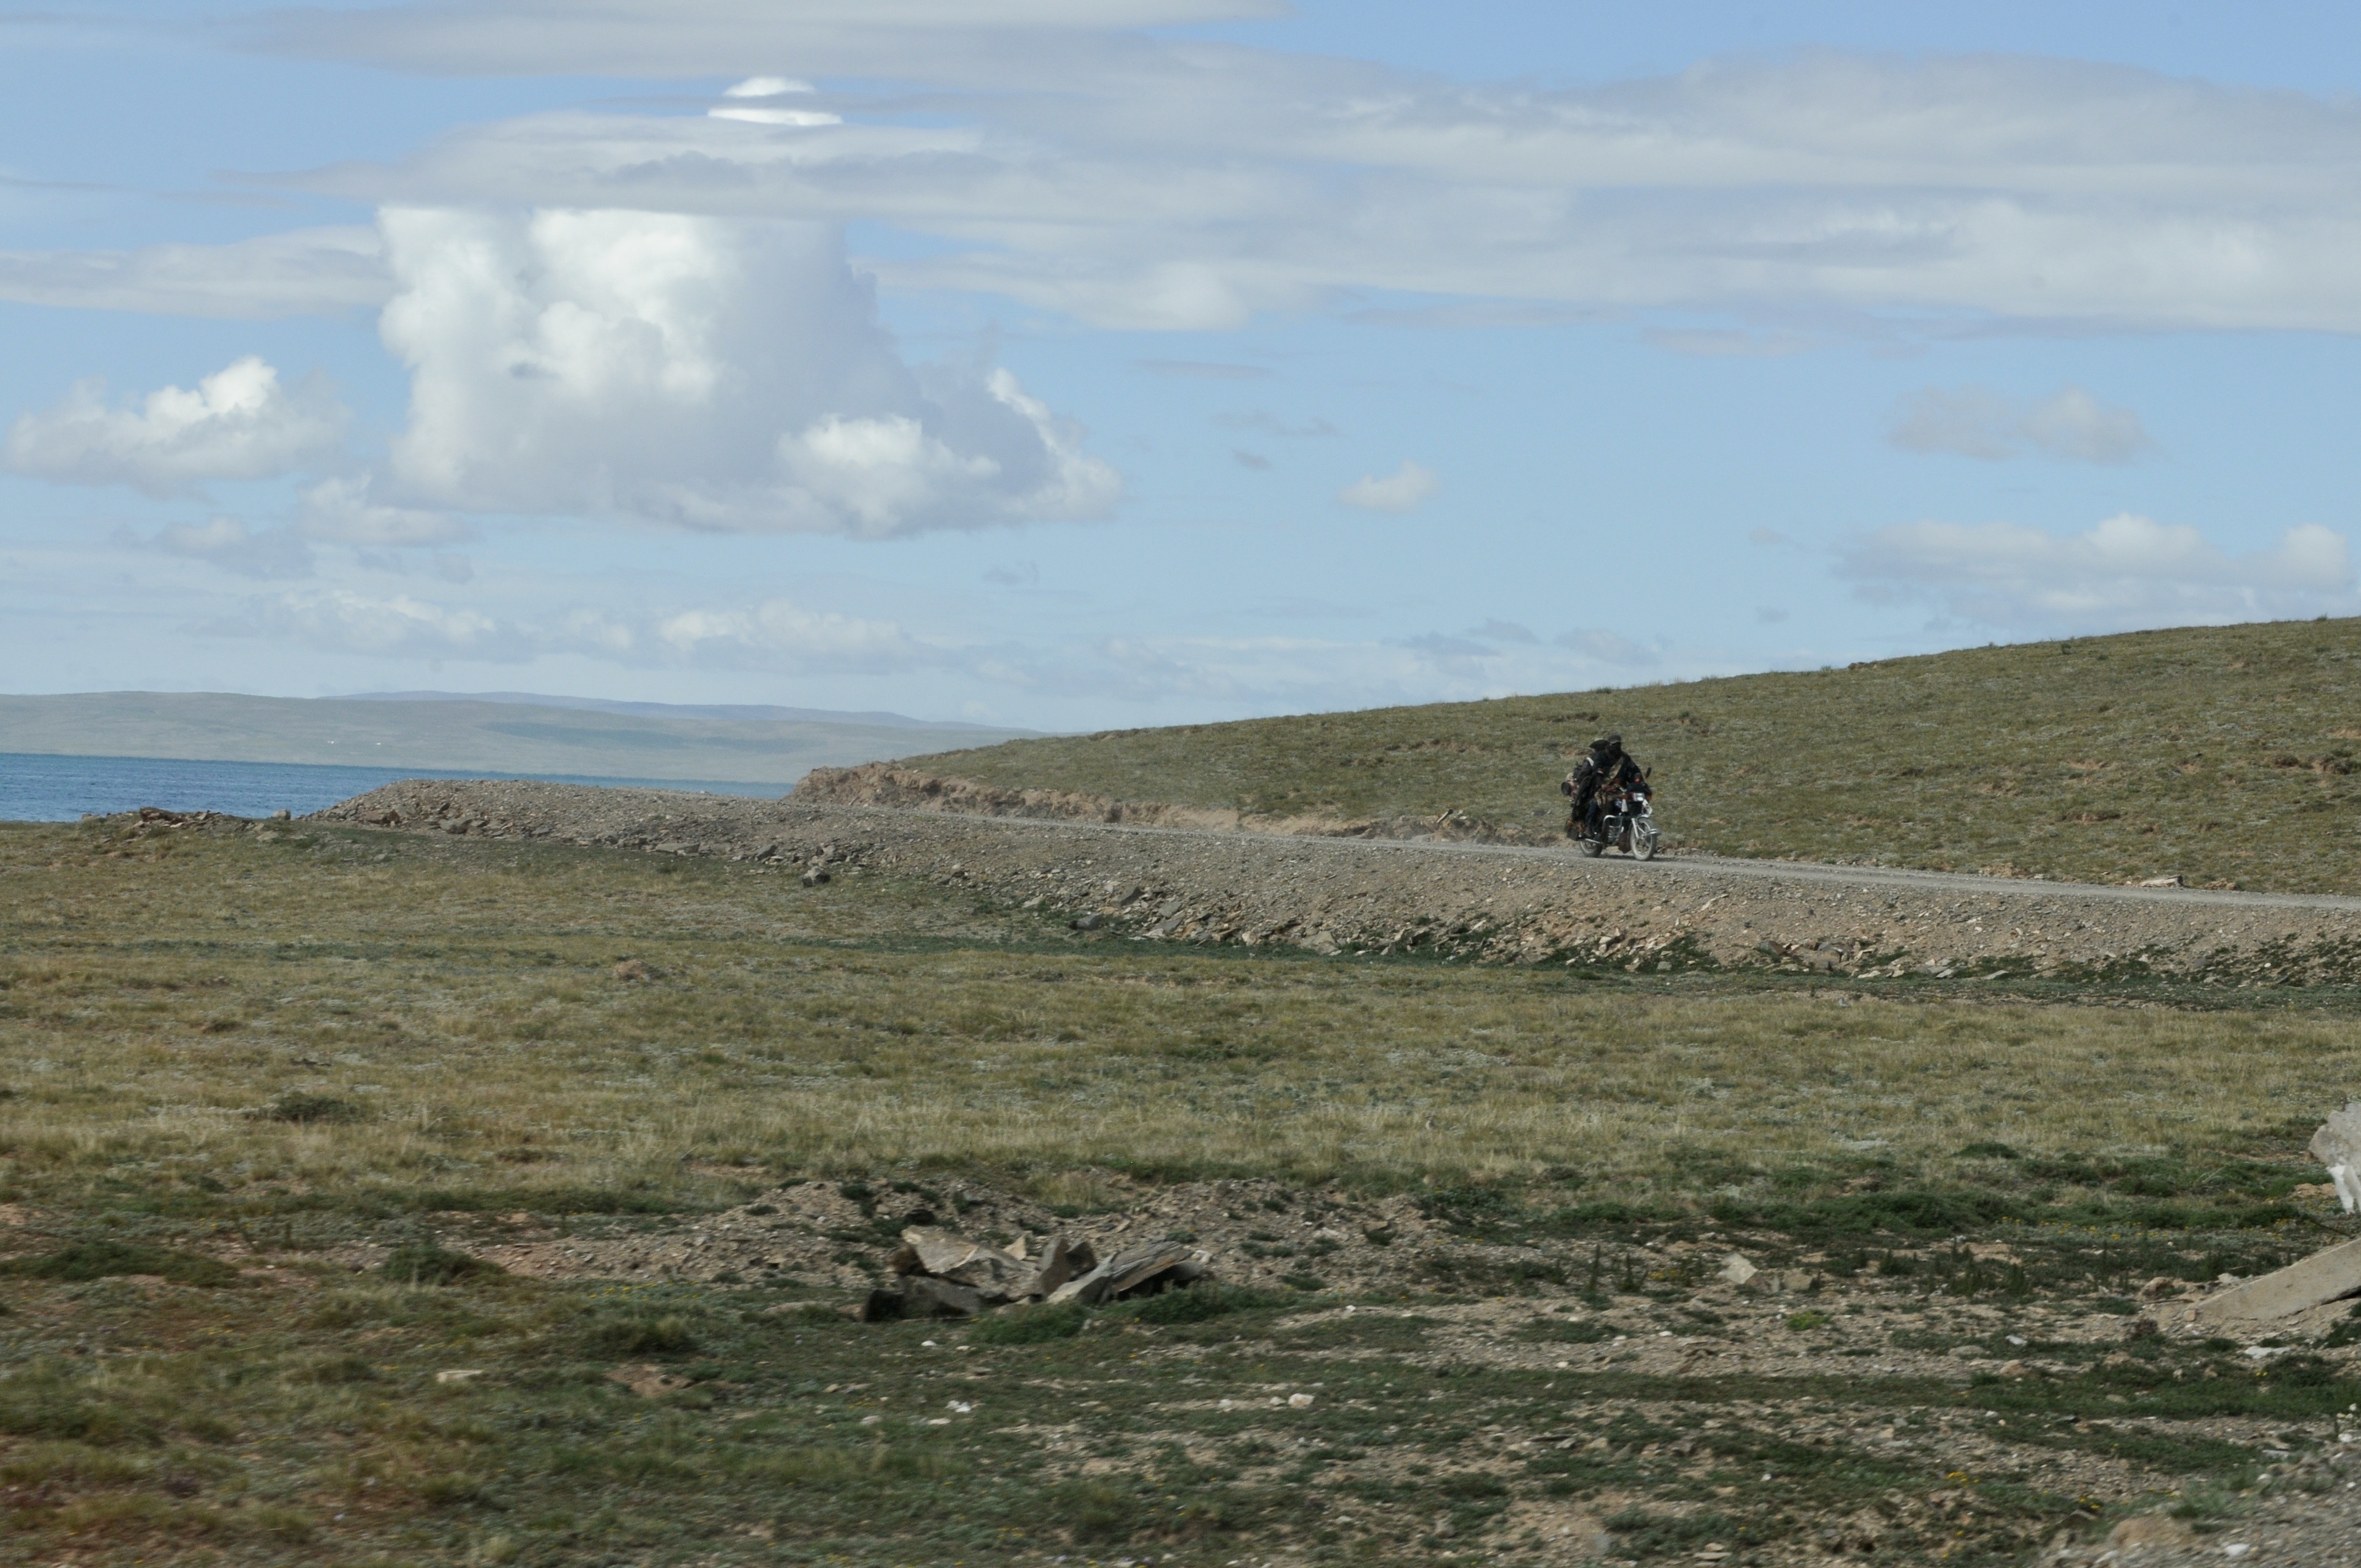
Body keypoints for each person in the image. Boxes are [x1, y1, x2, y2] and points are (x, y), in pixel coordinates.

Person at [1561, 733, 1642, 841]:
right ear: (1609, 745)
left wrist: (1639, 780)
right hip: (1599, 788)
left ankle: (1626, 830)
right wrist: (1603, 785)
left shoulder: (1625, 758)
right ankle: (1591, 827)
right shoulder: (1600, 756)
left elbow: (1634, 770)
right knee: (1600, 803)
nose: (1617, 747)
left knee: (1631, 803)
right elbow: (1597, 772)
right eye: (1614, 745)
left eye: (1618, 744)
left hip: (1619, 789)